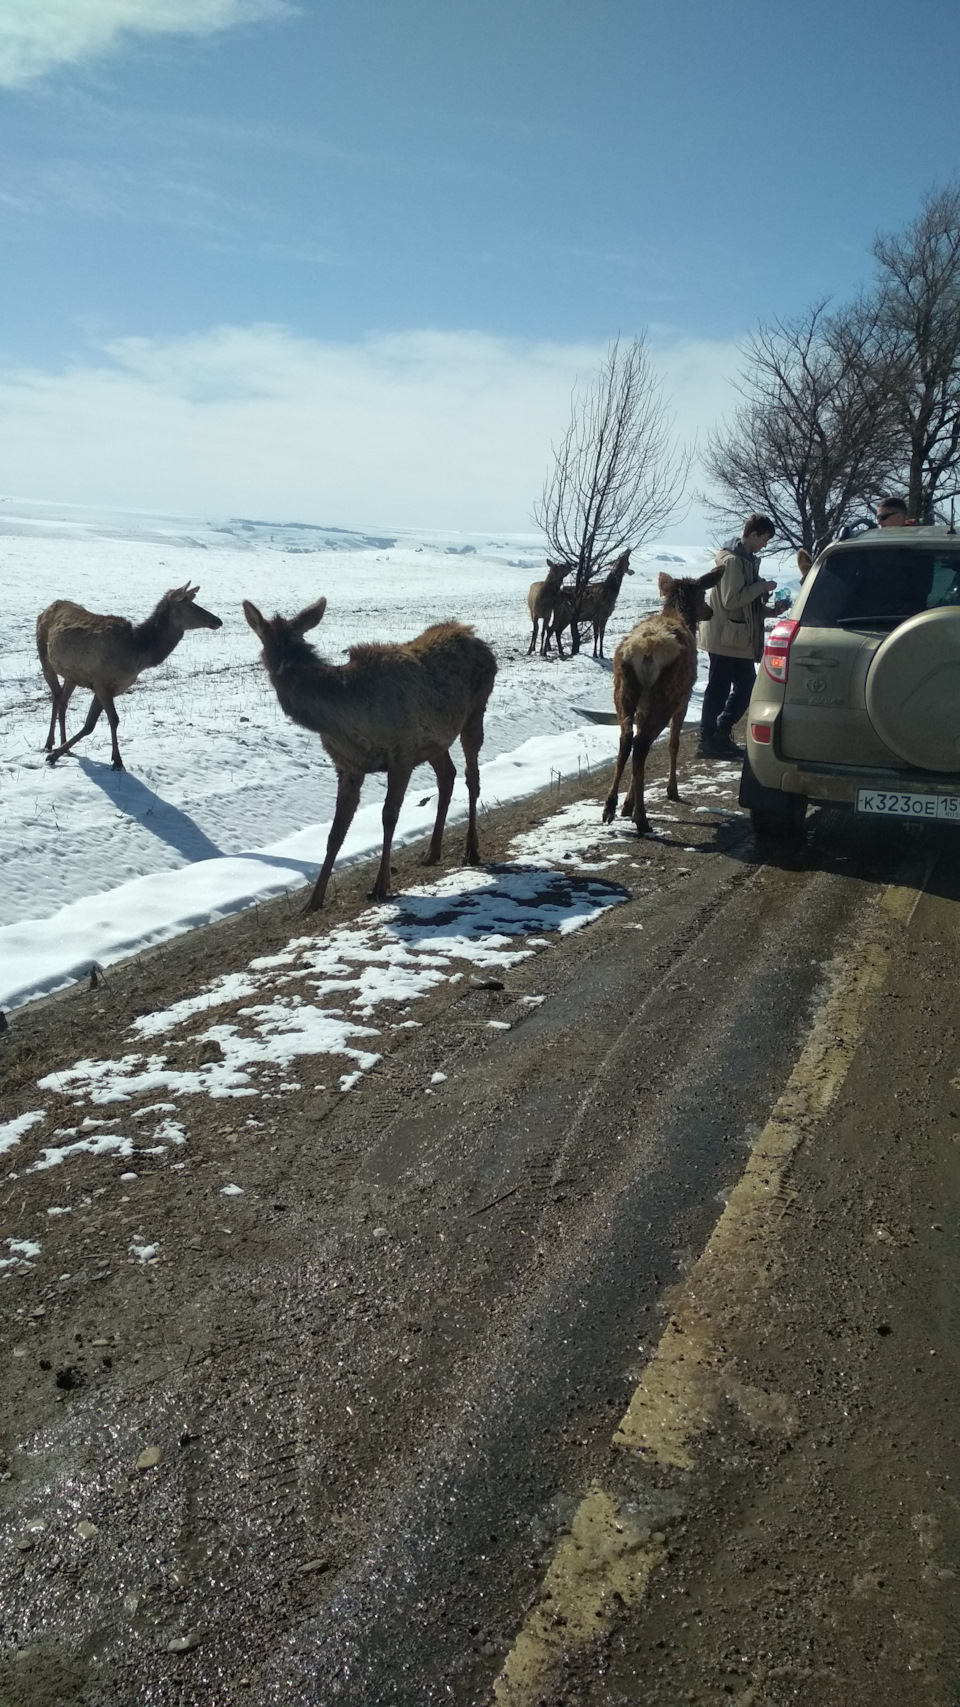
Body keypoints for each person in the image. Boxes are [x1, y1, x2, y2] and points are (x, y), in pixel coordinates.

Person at [697, 514, 784, 759]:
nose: (765, 545)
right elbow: (731, 600)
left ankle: (719, 735)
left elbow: (742, 603)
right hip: (725, 637)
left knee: (744, 686)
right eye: (765, 539)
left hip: (735, 637)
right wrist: (762, 587)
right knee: (721, 688)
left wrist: (769, 611)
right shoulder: (732, 562)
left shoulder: (746, 560)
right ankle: (709, 739)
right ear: (754, 534)